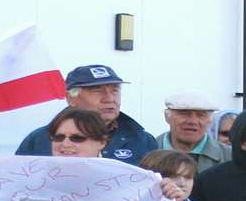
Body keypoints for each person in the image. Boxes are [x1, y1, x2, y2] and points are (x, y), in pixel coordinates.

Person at [15, 65, 156, 162]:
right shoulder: (39, 140)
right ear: (71, 98)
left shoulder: (142, 140)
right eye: (97, 90)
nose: (109, 98)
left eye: (115, 90)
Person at [153, 91, 225, 172]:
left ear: (210, 120)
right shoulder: (146, 151)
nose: (192, 121)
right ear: (167, 117)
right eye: (184, 114)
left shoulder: (229, 156)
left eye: (201, 115)